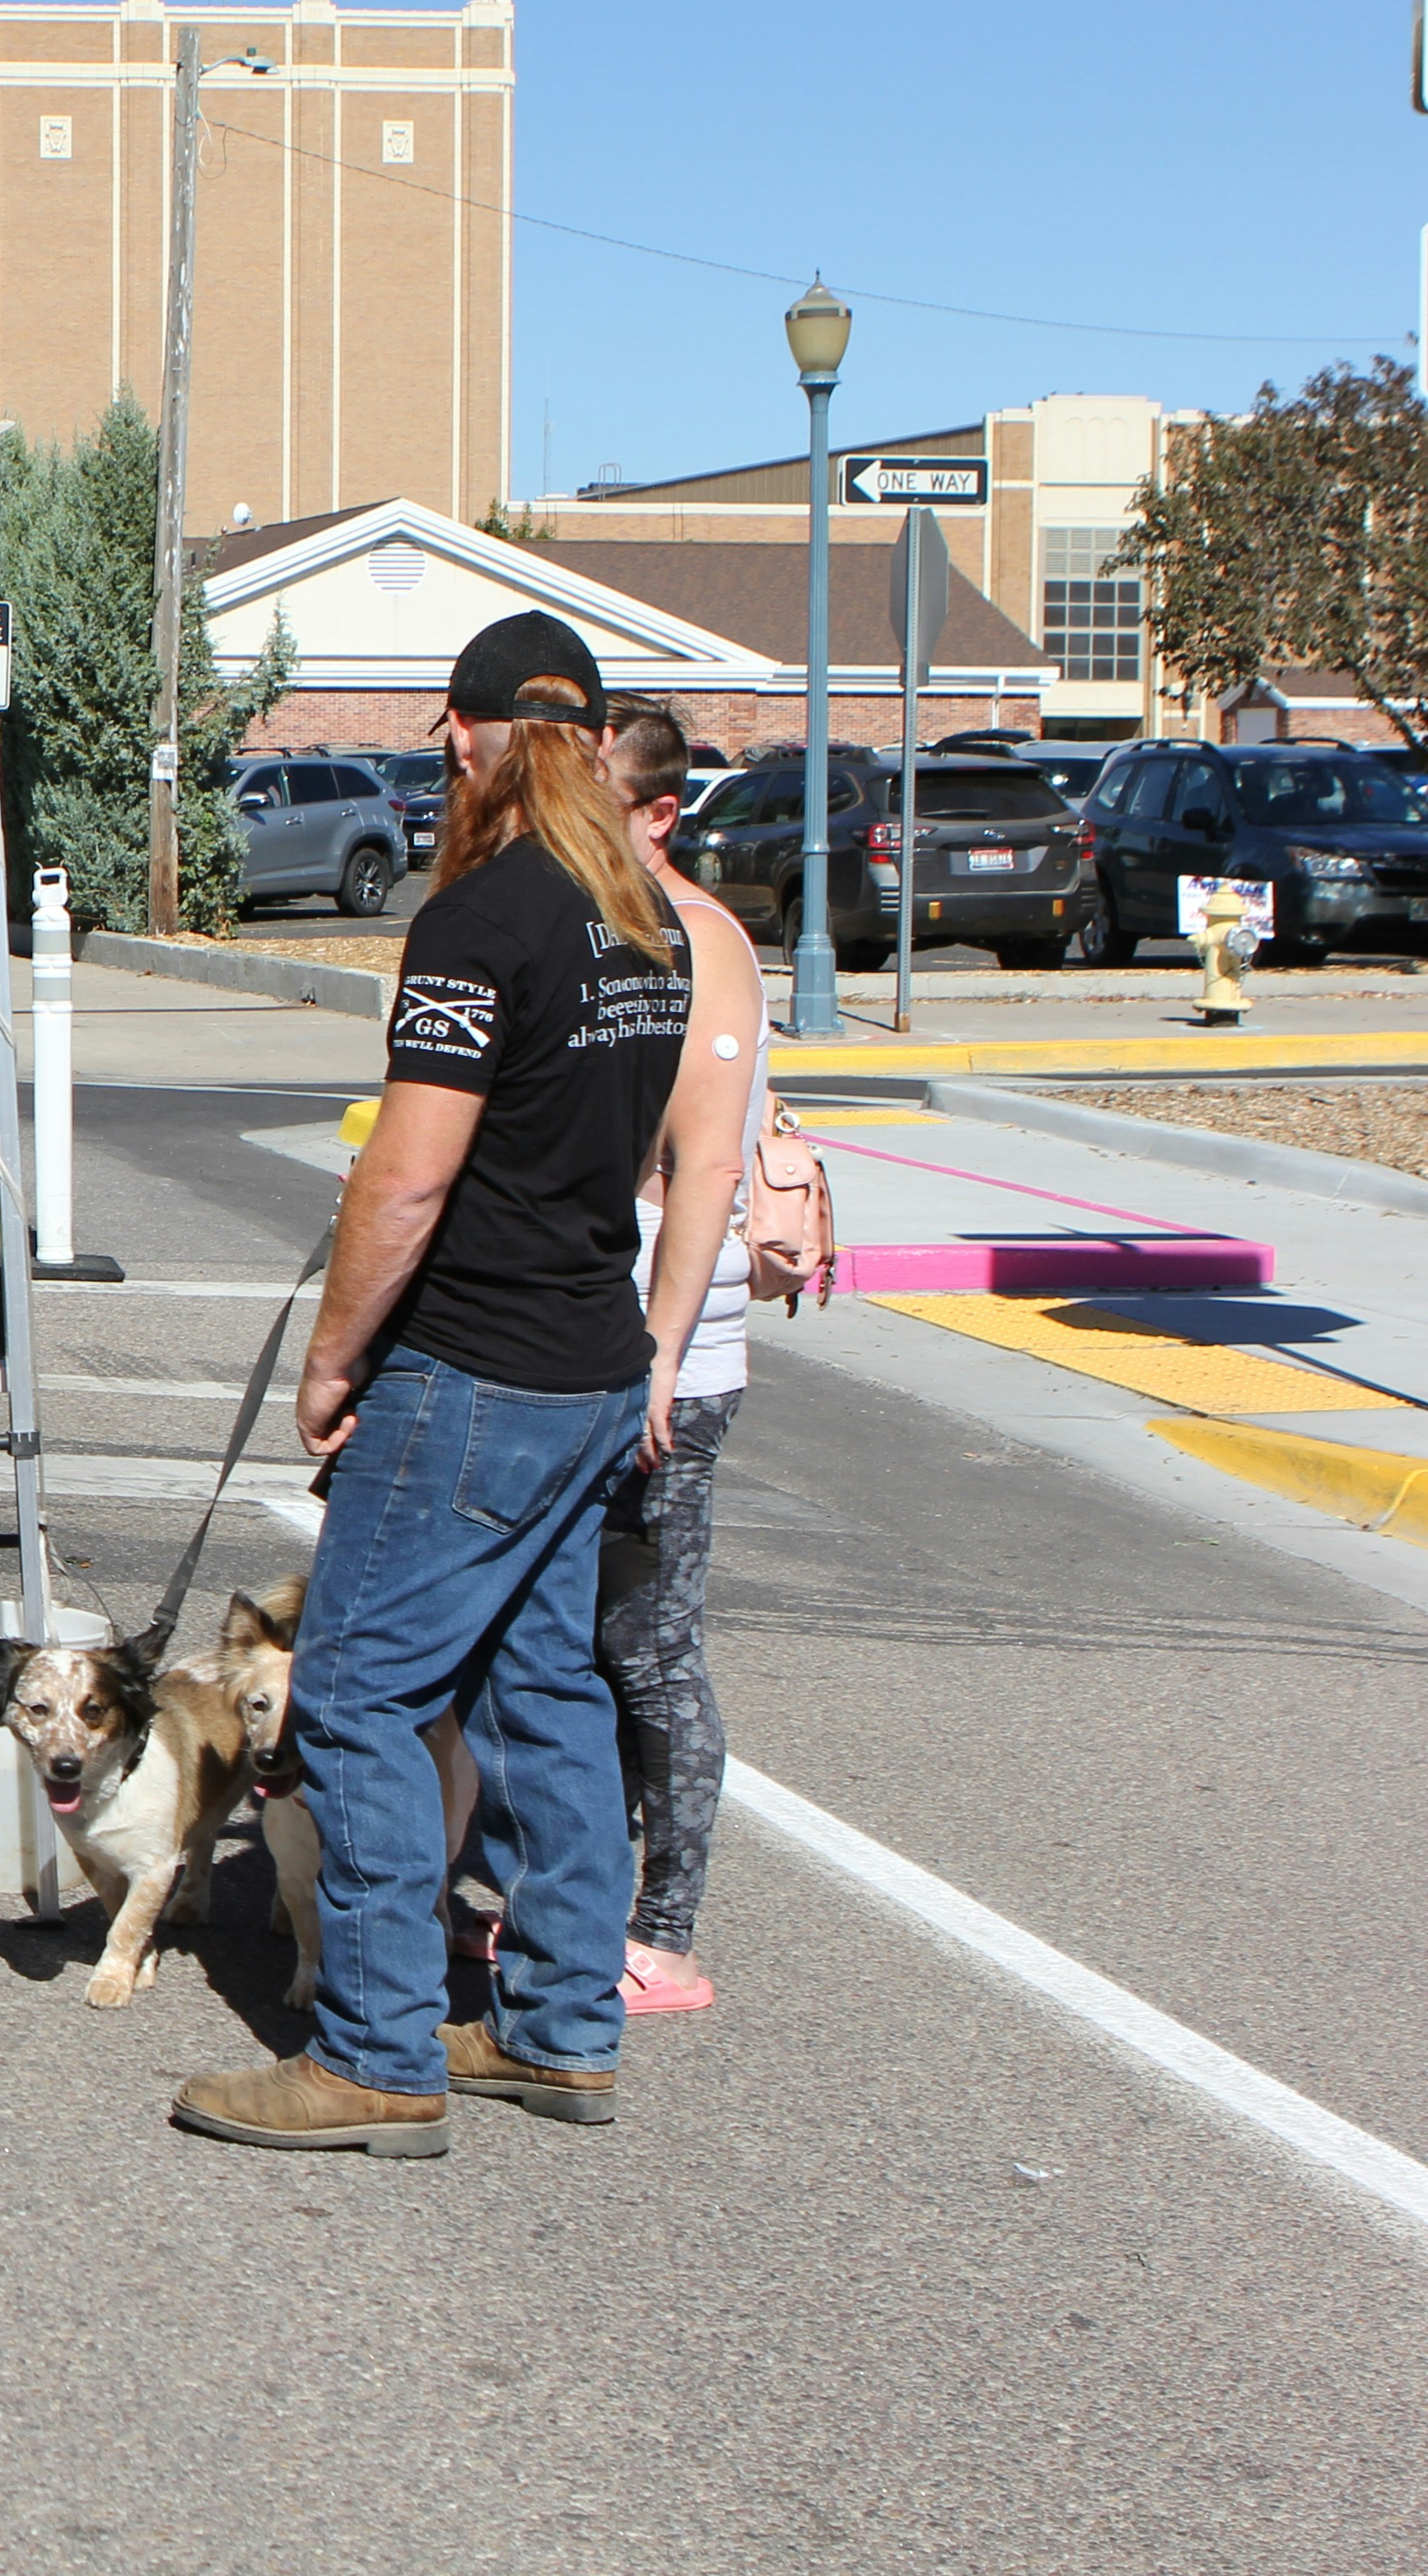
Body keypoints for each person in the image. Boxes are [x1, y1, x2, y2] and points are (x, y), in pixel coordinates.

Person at [171, 614, 744, 2155]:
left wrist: (330, 1360)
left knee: (355, 1697)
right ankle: (559, 2027)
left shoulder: (479, 922)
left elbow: (403, 1183)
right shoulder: (651, 924)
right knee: (542, 1691)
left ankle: (371, 2050)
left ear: (469, 737)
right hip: (585, 1365)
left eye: (450, 739)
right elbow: (663, 1151)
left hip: (471, 1371)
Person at [598, 698, 772, 2018]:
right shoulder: (598, 930)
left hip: (676, 1355)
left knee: (654, 1646)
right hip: (588, 1341)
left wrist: (659, 1359)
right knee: (584, 1642)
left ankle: (666, 1931)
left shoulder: (700, 944)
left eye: (599, 798)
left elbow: (705, 1163)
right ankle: (589, 1902)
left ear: (661, 813)